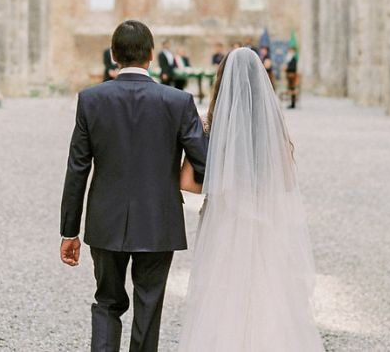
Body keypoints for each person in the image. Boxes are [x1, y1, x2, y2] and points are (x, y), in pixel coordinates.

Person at [60, 20, 208, 352]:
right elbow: (204, 161)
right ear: (152, 56)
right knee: (149, 305)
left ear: (114, 55)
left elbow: (77, 169)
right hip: (159, 220)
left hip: (105, 220)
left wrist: (69, 230)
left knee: (107, 302)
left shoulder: (90, 100)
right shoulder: (177, 102)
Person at [177, 48, 323, 351]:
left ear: (222, 79)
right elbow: (287, 181)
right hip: (265, 222)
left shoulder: (210, 124)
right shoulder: (273, 125)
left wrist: (219, 182)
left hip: (225, 222)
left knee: (223, 293)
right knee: (267, 291)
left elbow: (187, 182)